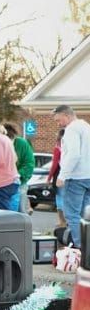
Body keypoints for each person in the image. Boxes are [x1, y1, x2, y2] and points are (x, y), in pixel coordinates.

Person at [53, 105, 90, 252]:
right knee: (85, 215)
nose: (58, 123)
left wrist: (63, 175)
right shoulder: (86, 126)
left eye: (59, 120)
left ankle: (80, 249)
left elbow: (73, 154)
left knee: (72, 214)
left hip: (76, 177)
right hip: (88, 176)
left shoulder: (71, 129)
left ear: (66, 115)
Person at [3, 122, 35, 214]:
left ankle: (24, 226)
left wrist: (18, 175)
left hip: (19, 181)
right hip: (2, 183)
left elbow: (29, 163)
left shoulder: (22, 143)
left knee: (20, 210)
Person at [48, 128, 66, 228]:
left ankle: (62, 221)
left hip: (59, 175)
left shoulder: (58, 148)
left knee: (59, 198)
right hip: (70, 175)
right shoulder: (70, 147)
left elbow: (54, 165)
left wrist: (49, 178)